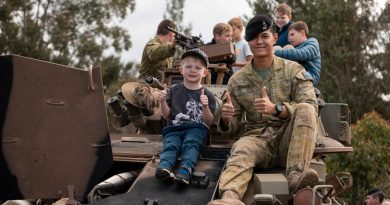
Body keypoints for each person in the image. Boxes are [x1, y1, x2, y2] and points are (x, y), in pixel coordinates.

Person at [208, 14, 318, 205]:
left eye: (264, 36)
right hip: (257, 140)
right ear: (248, 41)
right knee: (241, 148)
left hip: (289, 139)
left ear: (275, 38)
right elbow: (232, 129)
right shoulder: (237, 80)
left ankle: (295, 178)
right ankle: (230, 197)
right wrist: (226, 119)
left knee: (306, 109)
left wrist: (277, 109)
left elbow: (310, 106)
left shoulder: (293, 70)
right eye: (253, 37)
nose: (258, 42)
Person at [154, 48, 216, 185]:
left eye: (198, 68)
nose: (192, 70)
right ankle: (164, 168)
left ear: (204, 73)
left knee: (191, 143)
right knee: (170, 144)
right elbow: (166, 115)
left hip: (197, 128)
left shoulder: (207, 95)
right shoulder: (174, 90)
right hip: (175, 129)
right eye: (188, 66)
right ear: (181, 69)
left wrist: (205, 106)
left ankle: (185, 170)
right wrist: (162, 101)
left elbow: (209, 121)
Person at [274, 21, 321, 86]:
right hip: (298, 74)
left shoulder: (312, 42)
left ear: (302, 33)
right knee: (278, 47)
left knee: (287, 47)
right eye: (288, 36)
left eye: (292, 34)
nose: (289, 39)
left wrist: (274, 53)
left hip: (309, 76)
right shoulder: (296, 47)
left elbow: (302, 54)